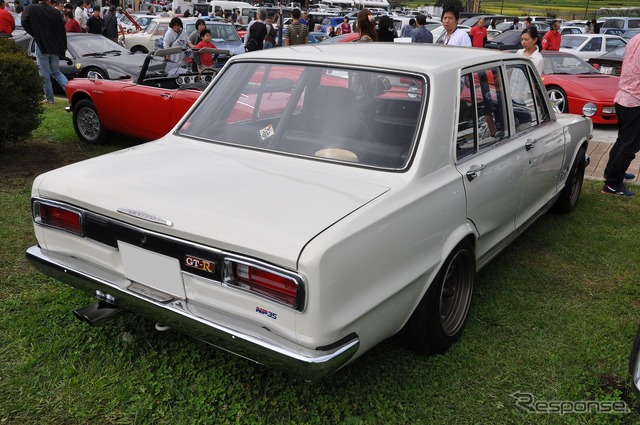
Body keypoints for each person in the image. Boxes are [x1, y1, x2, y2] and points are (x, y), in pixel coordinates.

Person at [602, 34, 640, 196]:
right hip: (635, 100)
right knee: (630, 146)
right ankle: (613, 184)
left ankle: (611, 173)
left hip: (623, 96)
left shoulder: (635, 38)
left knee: (622, 140)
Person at [22, 0, 68, 104]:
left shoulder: (32, 8)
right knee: (56, 71)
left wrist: (35, 34)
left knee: (44, 74)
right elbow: (62, 30)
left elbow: (24, 21)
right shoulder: (56, 12)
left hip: (42, 44)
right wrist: (64, 46)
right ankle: (71, 93)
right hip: (56, 46)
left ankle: (50, 99)